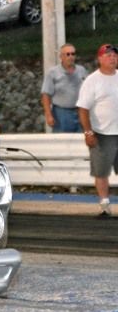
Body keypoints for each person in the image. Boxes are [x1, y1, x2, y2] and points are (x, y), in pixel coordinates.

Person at [76, 43, 118, 217]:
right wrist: (88, 132)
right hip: (101, 133)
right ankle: (104, 204)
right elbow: (83, 109)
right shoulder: (92, 81)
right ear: (100, 59)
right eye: (108, 55)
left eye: (114, 55)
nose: (112, 58)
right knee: (101, 171)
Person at [41, 43, 87, 133]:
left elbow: (88, 91)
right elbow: (46, 95)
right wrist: (48, 115)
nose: (71, 57)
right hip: (61, 113)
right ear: (61, 56)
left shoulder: (82, 70)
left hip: (79, 111)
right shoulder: (52, 73)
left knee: (80, 139)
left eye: (73, 54)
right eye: (67, 54)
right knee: (61, 139)